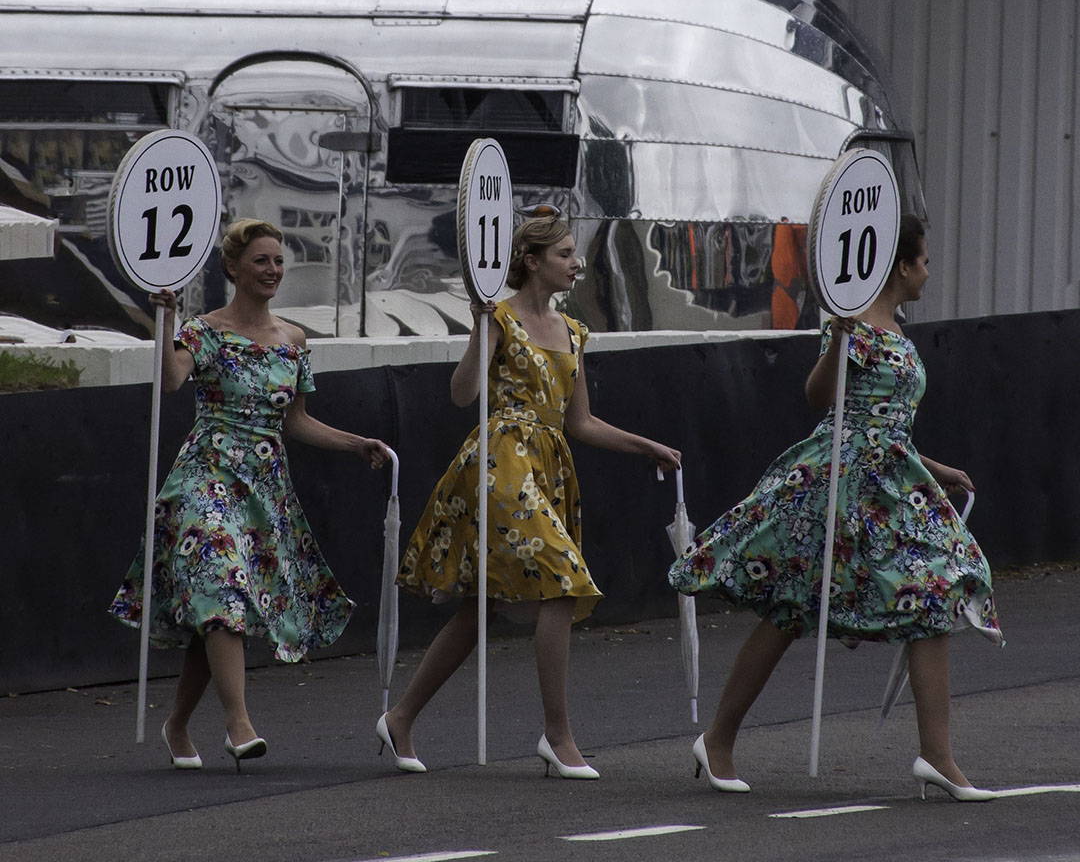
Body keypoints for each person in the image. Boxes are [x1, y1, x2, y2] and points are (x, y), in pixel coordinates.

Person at [669, 214, 1002, 800]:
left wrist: (935, 469)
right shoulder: (852, 323)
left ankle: (938, 756)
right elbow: (820, 399)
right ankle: (717, 739)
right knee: (792, 605)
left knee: (935, 592)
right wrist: (840, 340)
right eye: (923, 260)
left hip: (889, 482)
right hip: (840, 482)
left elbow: (889, 424)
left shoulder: (897, 329)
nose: (929, 271)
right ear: (901, 265)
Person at [381, 212, 681, 779]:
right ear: (533, 261)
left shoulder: (573, 331)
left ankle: (400, 717)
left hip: (548, 463)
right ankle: (558, 734)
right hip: (502, 459)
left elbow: (581, 422)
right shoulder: (499, 316)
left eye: (575, 253)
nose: (576, 263)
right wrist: (478, 326)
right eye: (566, 254)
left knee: (481, 609)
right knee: (564, 582)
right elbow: (461, 393)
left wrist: (646, 447)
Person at [109, 218, 391, 771]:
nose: (273, 271)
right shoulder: (203, 329)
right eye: (261, 261)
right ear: (234, 268)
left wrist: (356, 443)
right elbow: (170, 381)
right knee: (221, 583)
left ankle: (177, 723)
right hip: (204, 476)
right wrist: (162, 320)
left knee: (223, 609)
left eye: (279, 262)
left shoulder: (294, 340)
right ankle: (239, 725)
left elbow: (298, 422)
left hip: (263, 488)